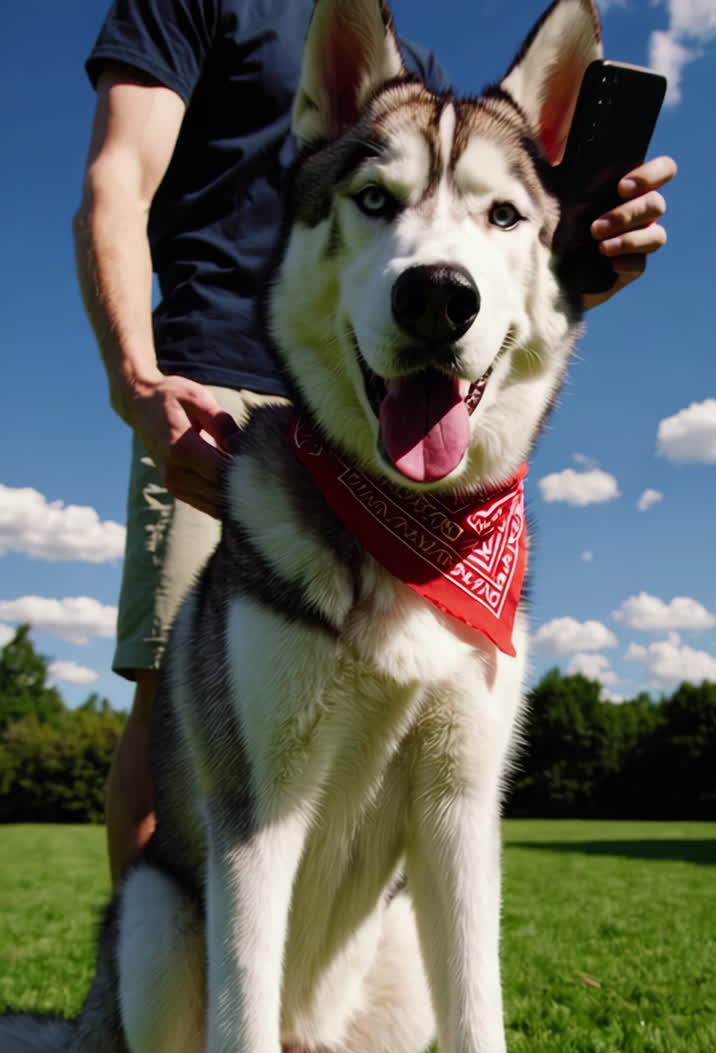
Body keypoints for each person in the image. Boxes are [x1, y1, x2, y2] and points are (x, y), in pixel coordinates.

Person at [75, 0, 677, 885]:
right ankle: (144, 1008)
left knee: (413, 738)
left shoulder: (423, 82)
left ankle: (311, 1007)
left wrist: (590, 269)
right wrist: (138, 379)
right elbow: (119, 178)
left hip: (388, 405)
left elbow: (472, 262)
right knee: (178, 710)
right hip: (227, 395)